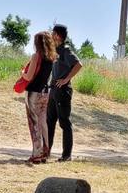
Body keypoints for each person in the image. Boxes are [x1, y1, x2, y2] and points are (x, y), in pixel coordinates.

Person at [47, 23, 82, 162]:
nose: (51, 35)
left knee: (64, 123)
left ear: (57, 35)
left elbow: (79, 64)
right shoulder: (55, 50)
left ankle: (66, 155)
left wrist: (66, 79)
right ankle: (46, 151)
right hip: (53, 91)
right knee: (49, 122)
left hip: (63, 91)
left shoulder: (66, 50)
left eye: (52, 33)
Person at [19, 31, 56, 163]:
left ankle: (37, 154)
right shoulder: (52, 58)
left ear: (37, 43)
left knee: (34, 123)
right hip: (45, 92)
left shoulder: (36, 56)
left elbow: (28, 76)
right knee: (43, 122)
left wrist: (23, 72)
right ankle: (46, 153)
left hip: (33, 92)